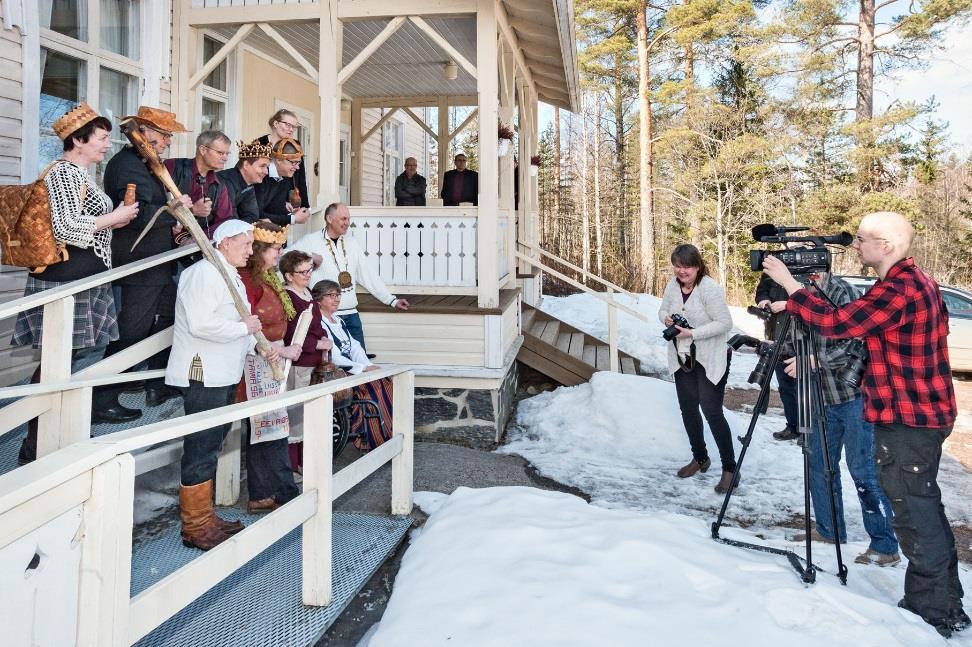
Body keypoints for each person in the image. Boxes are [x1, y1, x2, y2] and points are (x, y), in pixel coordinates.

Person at [763, 211, 966, 638]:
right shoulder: (914, 283)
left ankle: (933, 610)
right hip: (920, 413)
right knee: (923, 507)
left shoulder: (901, 289)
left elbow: (839, 325)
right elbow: (862, 324)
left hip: (910, 418)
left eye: (862, 239)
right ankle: (946, 601)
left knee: (913, 512)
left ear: (886, 246)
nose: (856, 246)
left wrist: (792, 284)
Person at [12, 102, 139, 464]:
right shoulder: (65, 174)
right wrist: (115, 217)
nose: (106, 144)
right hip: (66, 279)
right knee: (56, 359)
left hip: (81, 275)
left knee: (65, 358)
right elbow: (66, 228)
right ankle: (37, 442)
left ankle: (52, 435)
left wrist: (114, 219)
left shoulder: (80, 175)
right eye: (100, 138)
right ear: (78, 141)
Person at [165, 219, 279, 550]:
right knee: (200, 446)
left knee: (213, 444)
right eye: (245, 244)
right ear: (225, 243)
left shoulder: (229, 275)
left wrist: (254, 344)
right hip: (203, 373)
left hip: (225, 372)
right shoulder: (202, 274)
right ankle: (194, 525)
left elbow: (235, 324)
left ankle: (206, 515)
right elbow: (202, 325)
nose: (250, 250)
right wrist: (244, 330)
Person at [773, 272, 899, 566]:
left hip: (855, 398)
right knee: (819, 466)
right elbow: (799, 341)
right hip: (819, 399)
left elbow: (859, 340)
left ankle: (885, 545)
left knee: (864, 471)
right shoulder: (799, 296)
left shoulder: (844, 292)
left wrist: (815, 360)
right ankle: (830, 531)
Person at [95, 106, 191, 423]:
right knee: (132, 330)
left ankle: (155, 383)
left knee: (167, 319)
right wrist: (172, 209)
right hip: (140, 260)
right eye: (163, 135)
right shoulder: (127, 166)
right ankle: (101, 398)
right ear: (145, 132)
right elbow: (133, 214)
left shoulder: (145, 163)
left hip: (157, 260)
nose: (166, 142)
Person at [658, 244, 736, 493]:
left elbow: (725, 323)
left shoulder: (709, 288)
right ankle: (700, 458)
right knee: (688, 409)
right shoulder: (673, 285)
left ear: (698, 266)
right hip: (683, 358)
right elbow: (662, 309)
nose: (682, 272)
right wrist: (666, 318)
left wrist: (692, 333)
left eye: (687, 267)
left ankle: (730, 469)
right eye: (678, 266)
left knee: (711, 411)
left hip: (709, 358)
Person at [236, 221, 302, 512]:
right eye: (275, 249)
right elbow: (246, 322)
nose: (280, 253)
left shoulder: (269, 278)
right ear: (258, 251)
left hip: (272, 361)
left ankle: (268, 491)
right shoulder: (248, 282)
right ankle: (275, 492)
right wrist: (275, 348)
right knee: (265, 429)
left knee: (272, 427)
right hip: (256, 361)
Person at [291, 202, 409, 350]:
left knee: (361, 362)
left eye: (348, 219)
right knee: (334, 366)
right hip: (325, 316)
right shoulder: (310, 241)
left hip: (351, 315)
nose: (347, 223)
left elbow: (368, 274)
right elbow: (285, 256)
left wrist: (391, 300)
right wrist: (309, 255)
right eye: (343, 219)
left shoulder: (352, 243)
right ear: (329, 219)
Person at [313, 279, 393, 451]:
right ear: (319, 300)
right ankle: (372, 439)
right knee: (373, 387)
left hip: (353, 369)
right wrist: (362, 369)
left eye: (338, 295)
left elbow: (355, 347)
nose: (336, 299)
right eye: (331, 295)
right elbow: (333, 356)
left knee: (385, 381)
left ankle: (389, 434)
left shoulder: (338, 321)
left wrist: (368, 365)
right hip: (337, 372)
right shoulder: (319, 323)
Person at [280, 250, 332, 472]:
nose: (308, 274)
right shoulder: (288, 297)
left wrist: (324, 336)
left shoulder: (308, 293)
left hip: (314, 362)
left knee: (311, 416)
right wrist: (315, 344)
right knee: (296, 415)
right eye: (302, 271)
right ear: (289, 275)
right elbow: (291, 334)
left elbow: (316, 324)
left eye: (309, 270)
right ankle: (294, 465)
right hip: (299, 363)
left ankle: (307, 461)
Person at [164, 130, 236, 240]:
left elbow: (224, 222)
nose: (225, 158)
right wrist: (192, 210)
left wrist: (199, 239)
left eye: (227, 154)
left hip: (196, 249)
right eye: (220, 153)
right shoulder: (172, 166)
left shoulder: (220, 185)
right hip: (162, 245)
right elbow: (152, 207)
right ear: (203, 149)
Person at [754, 271, 799, 441]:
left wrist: (789, 305)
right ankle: (793, 426)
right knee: (785, 386)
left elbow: (816, 302)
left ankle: (809, 431)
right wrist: (763, 300)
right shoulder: (773, 268)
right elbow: (761, 291)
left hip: (800, 338)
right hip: (777, 336)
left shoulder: (811, 265)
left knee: (805, 389)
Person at [255, 109, 309, 209]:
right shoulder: (260, 144)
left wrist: (305, 205)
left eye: (294, 127)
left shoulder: (295, 144)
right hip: (264, 199)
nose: (291, 129)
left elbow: (300, 176)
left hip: (289, 197)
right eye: (288, 125)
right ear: (276, 123)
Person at [254, 138, 311, 227]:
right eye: (293, 162)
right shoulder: (261, 175)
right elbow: (256, 214)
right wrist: (292, 219)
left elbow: (277, 209)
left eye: (298, 163)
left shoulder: (283, 174)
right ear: (279, 160)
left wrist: (292, 214)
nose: (297, 168)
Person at [209, 140, 268, 225]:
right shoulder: (225, 182)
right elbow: (229, 220)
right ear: (246, 165)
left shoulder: (248, 183)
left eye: (267, 167)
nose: (266, 172)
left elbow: (252, 215)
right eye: (262, 166)